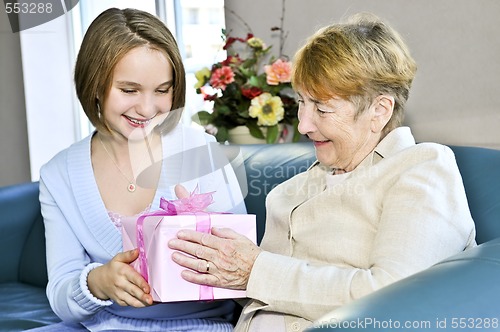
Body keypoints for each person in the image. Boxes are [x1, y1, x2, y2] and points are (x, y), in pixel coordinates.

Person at [167, 13, 477, 332]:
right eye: (302, 102)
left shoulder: (421, 168)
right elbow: (260, 291)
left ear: (379, 111)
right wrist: (211, 249)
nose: (303, 124)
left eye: (322, 108)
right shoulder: (290, 192)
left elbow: (397, 295)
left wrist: (254, 271)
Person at [38, 7, 245, 332]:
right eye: (129, 90)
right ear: (94, 84)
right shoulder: (58, 175)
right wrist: (98, 282)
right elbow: (61, 294)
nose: (148, 109)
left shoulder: (200, 152)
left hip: (199, 325)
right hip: (102, 326)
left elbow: (245, 267)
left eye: (162, 90)